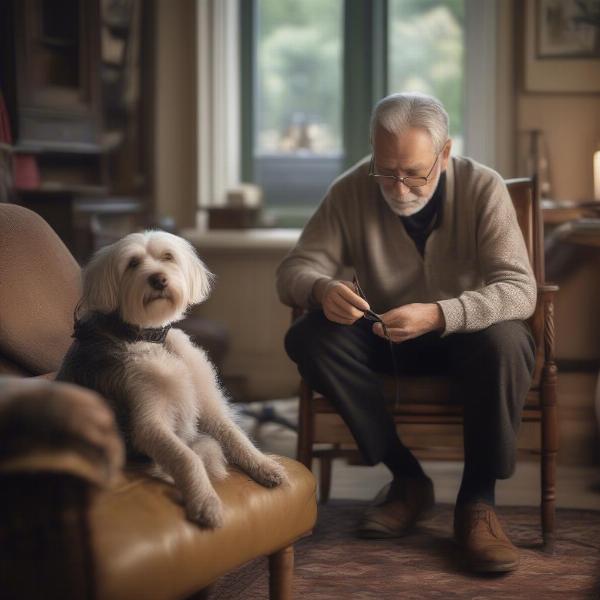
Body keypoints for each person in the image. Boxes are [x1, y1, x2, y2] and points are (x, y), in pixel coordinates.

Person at [276, 92, 536, 574]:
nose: (397, 186)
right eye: (385, 169)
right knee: (309, 338)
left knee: (507, 340)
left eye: (413, 172)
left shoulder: (484, 187)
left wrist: (441, 314)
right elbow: (294, 270)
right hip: (384, 338)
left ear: (445, 153)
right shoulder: (350, 188)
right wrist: (320, 287)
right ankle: (407, 479)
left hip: (468, 338)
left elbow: (520, 290)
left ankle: (477, 502)